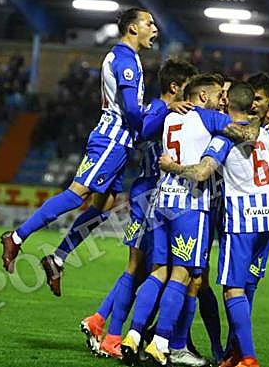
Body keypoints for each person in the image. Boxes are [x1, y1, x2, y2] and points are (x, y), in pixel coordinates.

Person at [0, 8, 158, 297]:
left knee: (105, 205)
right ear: (133, 28)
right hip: (112, 140)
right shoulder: (125, 59)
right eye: (149, 23)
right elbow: (133, 111)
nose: (155, 29)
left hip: (117, 142)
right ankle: (17, 236)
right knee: (77, 193)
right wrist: (156, 117)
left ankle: (57, 259)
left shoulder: (126, 57)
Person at [121, 74, 261, 366]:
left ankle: (132, 335)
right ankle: (160, 343)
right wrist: (256, 116)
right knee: (182, 275)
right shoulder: (208, 118)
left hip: (161, 201)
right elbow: (247, 135)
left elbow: (146, 130)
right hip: (190, 204)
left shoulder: (171, 118)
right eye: (215, 95)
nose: (220, 100)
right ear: (201, 97)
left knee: (158, 271)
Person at [79, 59, 198, 360]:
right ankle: (114, 335)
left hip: (150, 193)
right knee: (141, 268)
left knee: (142, 269)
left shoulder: (170, 111)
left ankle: (101, 321)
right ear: (175, 87)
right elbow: (145, 130)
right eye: (189, 87)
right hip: (152, 194)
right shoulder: (160, 108)